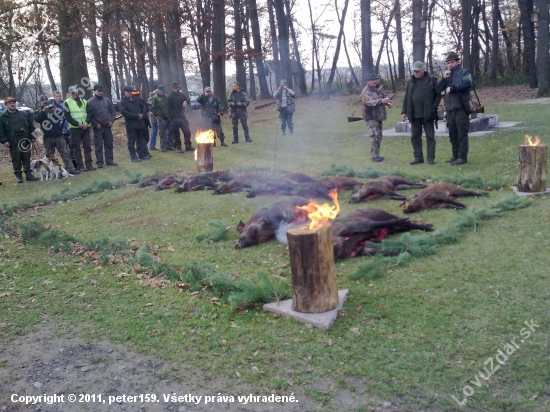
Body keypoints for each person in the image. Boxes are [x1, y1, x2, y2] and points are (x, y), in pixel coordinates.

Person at [436, 51, 473, 165]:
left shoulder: (464, 72)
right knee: (452, 135)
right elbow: (437, 89)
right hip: (450, 110)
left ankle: (462, 157)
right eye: (448, 63)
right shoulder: (448, 75)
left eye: (452, 62)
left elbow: (468, 83)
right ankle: (455, 155)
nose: (450, 65)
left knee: (462, 135)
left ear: (458, 62)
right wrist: (443, 78)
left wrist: (453, 88)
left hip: (461, 108)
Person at [401, 61, 440, 165]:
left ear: (423, 69)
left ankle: (430, 158)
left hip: (428, 114)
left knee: (430, 137)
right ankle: (418, 157)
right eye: (414, 70)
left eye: (417, 71)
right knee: (415, 137)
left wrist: (434, 106)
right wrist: (404, 112)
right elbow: (406, 97)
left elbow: (438, 94)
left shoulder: (431, 80)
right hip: (414, 115)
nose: (415, 72)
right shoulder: (410, 82)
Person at [34, 95, 79, 174]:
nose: (46, 104)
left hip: (58, 135)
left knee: (65, 153)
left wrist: (57, 110)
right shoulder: (39, 112)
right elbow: (37, 119)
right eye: (44, 103)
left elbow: (62, 116)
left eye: (47, 102)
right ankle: (48, 172)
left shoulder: (52, 109)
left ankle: (71, 169)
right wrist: (43, 111)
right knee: (49, 156)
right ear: (40, 103)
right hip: (48, 137)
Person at [0, 96, 38, 183]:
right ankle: (18, 175)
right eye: (10, 103)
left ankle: (28, 174)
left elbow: (31, 126)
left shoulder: (23, 114)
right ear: (6, 105)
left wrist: (33, 136)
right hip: (13, 140)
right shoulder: (3, 117)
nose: (12, 104)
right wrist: (4, 140)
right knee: (16, 158)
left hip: (25, 138)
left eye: (13, 103)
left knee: (26, 156)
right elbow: (1, 130)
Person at [361, 71, 393, 162]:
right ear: (367, 81)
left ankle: (377, 155)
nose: (375, 81)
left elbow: (384, 96)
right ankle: (374, 156)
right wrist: (381, 101)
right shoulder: (366, 92)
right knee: (374, 136)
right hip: (370, 117)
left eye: (375, 79)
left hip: (379, 116)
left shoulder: (378, 88)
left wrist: (388, 102)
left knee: (379, 136)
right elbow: (370, 102)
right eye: (372, 80)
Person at [64, 85, 94, 172]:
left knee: (87, 146)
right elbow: (67, 116)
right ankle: (80, 166)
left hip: (85, 127)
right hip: (75, 128)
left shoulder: (84, 101)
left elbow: (90, 113)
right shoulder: (67, 103)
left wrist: (87, 122)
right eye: (73, 93)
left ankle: (89, 164)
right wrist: (77, 124)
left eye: (76, 92)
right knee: (76, 148)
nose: (75, 94)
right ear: (69, 93)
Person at [86, 84, 117, 168]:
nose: (100, 92)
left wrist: (111, 121)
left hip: (107, 126)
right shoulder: (90, 102)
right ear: (94, 91)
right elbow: (89, 116)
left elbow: (113, 112)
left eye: (101, 91)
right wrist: (96, 124)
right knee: (98, 145)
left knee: (109, 143)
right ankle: (100, 162)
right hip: (98, 127)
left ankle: (109, 160)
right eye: (98, 91)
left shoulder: (107, 100)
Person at [120, 85, 149, 162]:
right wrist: (136, 116)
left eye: (131, 91)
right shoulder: (123, 102)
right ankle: (133, 157)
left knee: (140, 140)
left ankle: (141, 155)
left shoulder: (136, 100)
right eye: (128, 92)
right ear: (124, 92)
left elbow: (144, 107)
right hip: (131, 125)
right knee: (131, 141)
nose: (130, 93)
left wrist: (142, 114)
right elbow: (124, 113)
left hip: (140, 124)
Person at [167, 81, 194, 153]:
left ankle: (188, 146)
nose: (175, 89)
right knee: (176, 134)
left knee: (187, 132)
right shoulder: (170, 97)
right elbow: (169, 109)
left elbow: (186, 101)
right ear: (172, 88)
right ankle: (179, 147)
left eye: (176, 87)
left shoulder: (182, 95)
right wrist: (172, 118)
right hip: (174, 118)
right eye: (174, 88)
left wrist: (186, 102)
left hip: (182, 117)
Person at [152, 85, 171, 152]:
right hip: (161, 118)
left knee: (170, 132)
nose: (163, 92)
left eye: (164, 90)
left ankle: (169, 145)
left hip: (168, 117)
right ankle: (163, 147)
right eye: (161, 90)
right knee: (162, 133)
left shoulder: (166, 97)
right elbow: (153, 108)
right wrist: (157, 115)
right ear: (158, 90)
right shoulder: (155, 98)